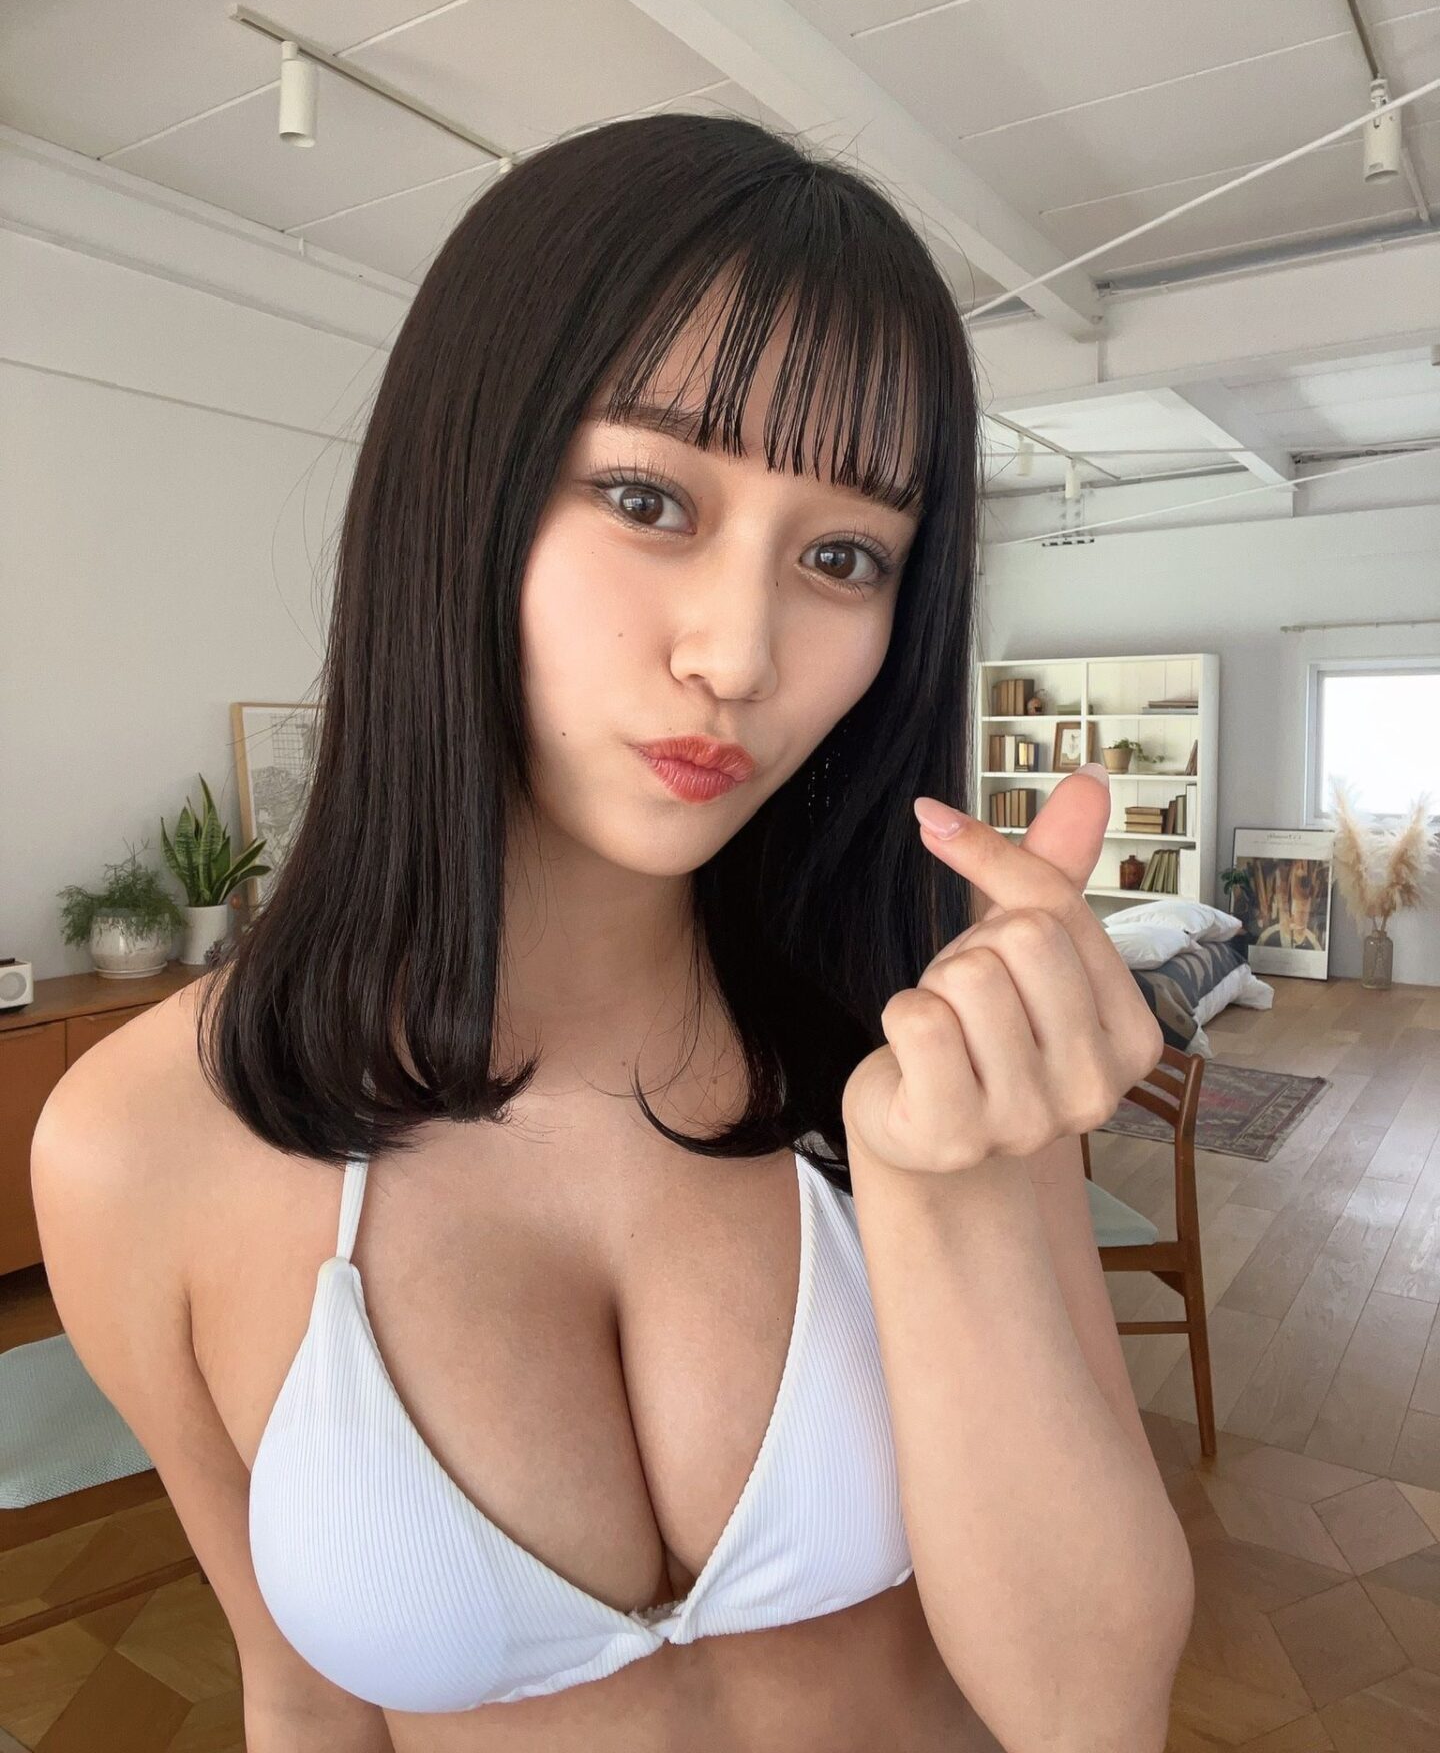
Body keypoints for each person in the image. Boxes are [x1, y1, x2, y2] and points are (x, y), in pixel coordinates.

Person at [31, 112, 1190, 1753]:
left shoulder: (928, 1047)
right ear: (460, 493)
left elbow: (1090, 1714)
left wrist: (944, 1195)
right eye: (648, 496)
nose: (739, 652)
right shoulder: (138, 1145)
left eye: (844, 554)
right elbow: (300, 1698)